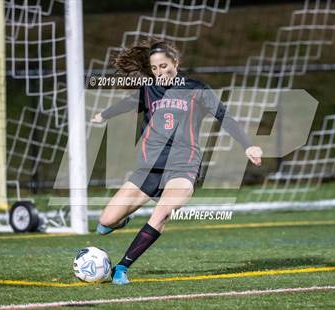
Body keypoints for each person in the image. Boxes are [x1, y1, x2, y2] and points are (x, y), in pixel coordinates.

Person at [91, 40, 263, 285]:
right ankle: (121, 221)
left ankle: (122, 267)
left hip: (183, 165)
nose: (159, 72)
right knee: (105, 222)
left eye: (164, 66)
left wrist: (248, 145)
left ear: (176, 63)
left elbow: (224, 116)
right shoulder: (149, 89)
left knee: (162, 211)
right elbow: (130, 103)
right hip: (150, 167)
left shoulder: (197, 89)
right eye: (154, 68)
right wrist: (104, 114)